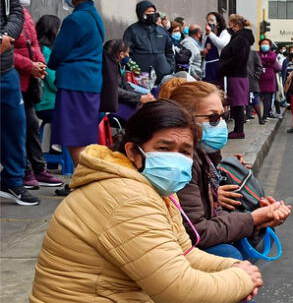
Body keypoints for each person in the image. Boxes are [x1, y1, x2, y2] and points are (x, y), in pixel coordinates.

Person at [30, 100, 263, 302]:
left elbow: (184, 252)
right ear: (132, 151)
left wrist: (232, 269)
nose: (175, 158)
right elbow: (179, 290)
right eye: (164, 148)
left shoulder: (153, 188)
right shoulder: (126, 197)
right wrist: (241, 279)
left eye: (184, 151)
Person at [164, 80, 291, 259]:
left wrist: (259, 217)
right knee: (229, 255)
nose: (222, 124)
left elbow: (210, 215)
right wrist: (253, 219)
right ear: (185, 119)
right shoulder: (182, 161)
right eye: (214, 118)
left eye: (224, 116)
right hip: (180, 245)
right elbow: (197, 231)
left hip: (195, 235)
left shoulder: (203, 154)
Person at [9, 0, 63, 190]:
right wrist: (28, 65)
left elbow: (35, 45)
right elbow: (7, 50)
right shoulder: (7, 16)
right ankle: (22, 171)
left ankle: (37, 169)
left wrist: (40, 64)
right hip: (13, 78)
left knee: (30, 125)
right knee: (17, 127)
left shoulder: (24, 14)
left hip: (29, 81)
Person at [48, 0, 104, 167]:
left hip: (74, 83)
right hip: (90, 82)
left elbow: (59, 52)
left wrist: (50, 64)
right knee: (84, 138)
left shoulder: (76, 19)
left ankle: (85, 182)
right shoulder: (94, 15)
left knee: (74, 139)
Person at [0, 0, 39, 206]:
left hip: (6, 69)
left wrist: (6, 35)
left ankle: (12, 181)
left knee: (16, 127)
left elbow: (16, 12)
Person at [123, 0, 175, 85]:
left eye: (153, 11)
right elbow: (126, 54)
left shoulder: (162, 31)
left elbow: (169, 52)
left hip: (163, 78)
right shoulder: (132, 31)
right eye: (149, 12)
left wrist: (169, 68)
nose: (152, 14)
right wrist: (136, 70)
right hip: (140, 79)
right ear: (141, 13)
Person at [99, 39, 155, 118]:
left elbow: (126, 85)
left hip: (118, 100)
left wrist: (141, 97)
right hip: (107, 106)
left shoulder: (116, 64)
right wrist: (139, 98)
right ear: (121, 54)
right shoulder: (106, 68)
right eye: (127, 52)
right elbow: (114, 90)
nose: (128, 55)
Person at [219, 14, 254, 139]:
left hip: (236, 75)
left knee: (237, 103)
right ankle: (238, 129)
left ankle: (239, 130)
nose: (229, 26)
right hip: (235, 74)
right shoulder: (239, 38)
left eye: (231, 24)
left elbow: (239, 58)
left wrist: (223, 65)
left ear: (236, 25)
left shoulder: (240, 39)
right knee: (235, 102)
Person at [34, 15, 61, 125]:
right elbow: (54, 82)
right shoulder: (46, 52)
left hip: (39, 102)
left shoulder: (36, 48)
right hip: (47, 103)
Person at [258, 38, 281, 124]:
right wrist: (267, 63)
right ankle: (257, 115)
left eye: (267, 44)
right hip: (258, 79)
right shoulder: (257, 53)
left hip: (269, 80)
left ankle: (265, 116)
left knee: (267, 100)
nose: (265, 45)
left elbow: (272, 59)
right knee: (256, 99)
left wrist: (263, 62)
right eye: (263, 43)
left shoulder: (272, 54)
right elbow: (257, 60)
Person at [203, 12, 229, 86]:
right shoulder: (206, 35)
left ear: (218, 23)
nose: (209, 22)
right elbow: (202, 47)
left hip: (217, 66)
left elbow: (222, 44)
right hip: (207, 67)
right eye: (208, 20)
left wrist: (210, 33)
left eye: (211, 20)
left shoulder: (224, 33)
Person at [246, 49, 263, 123]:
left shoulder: (253, 53)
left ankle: (260, 118)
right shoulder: (237, 52)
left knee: (255, 99)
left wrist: (255, 76)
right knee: (243, 100)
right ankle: (246, 116)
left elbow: (259, 66)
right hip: (240, 80)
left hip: (252, 80)